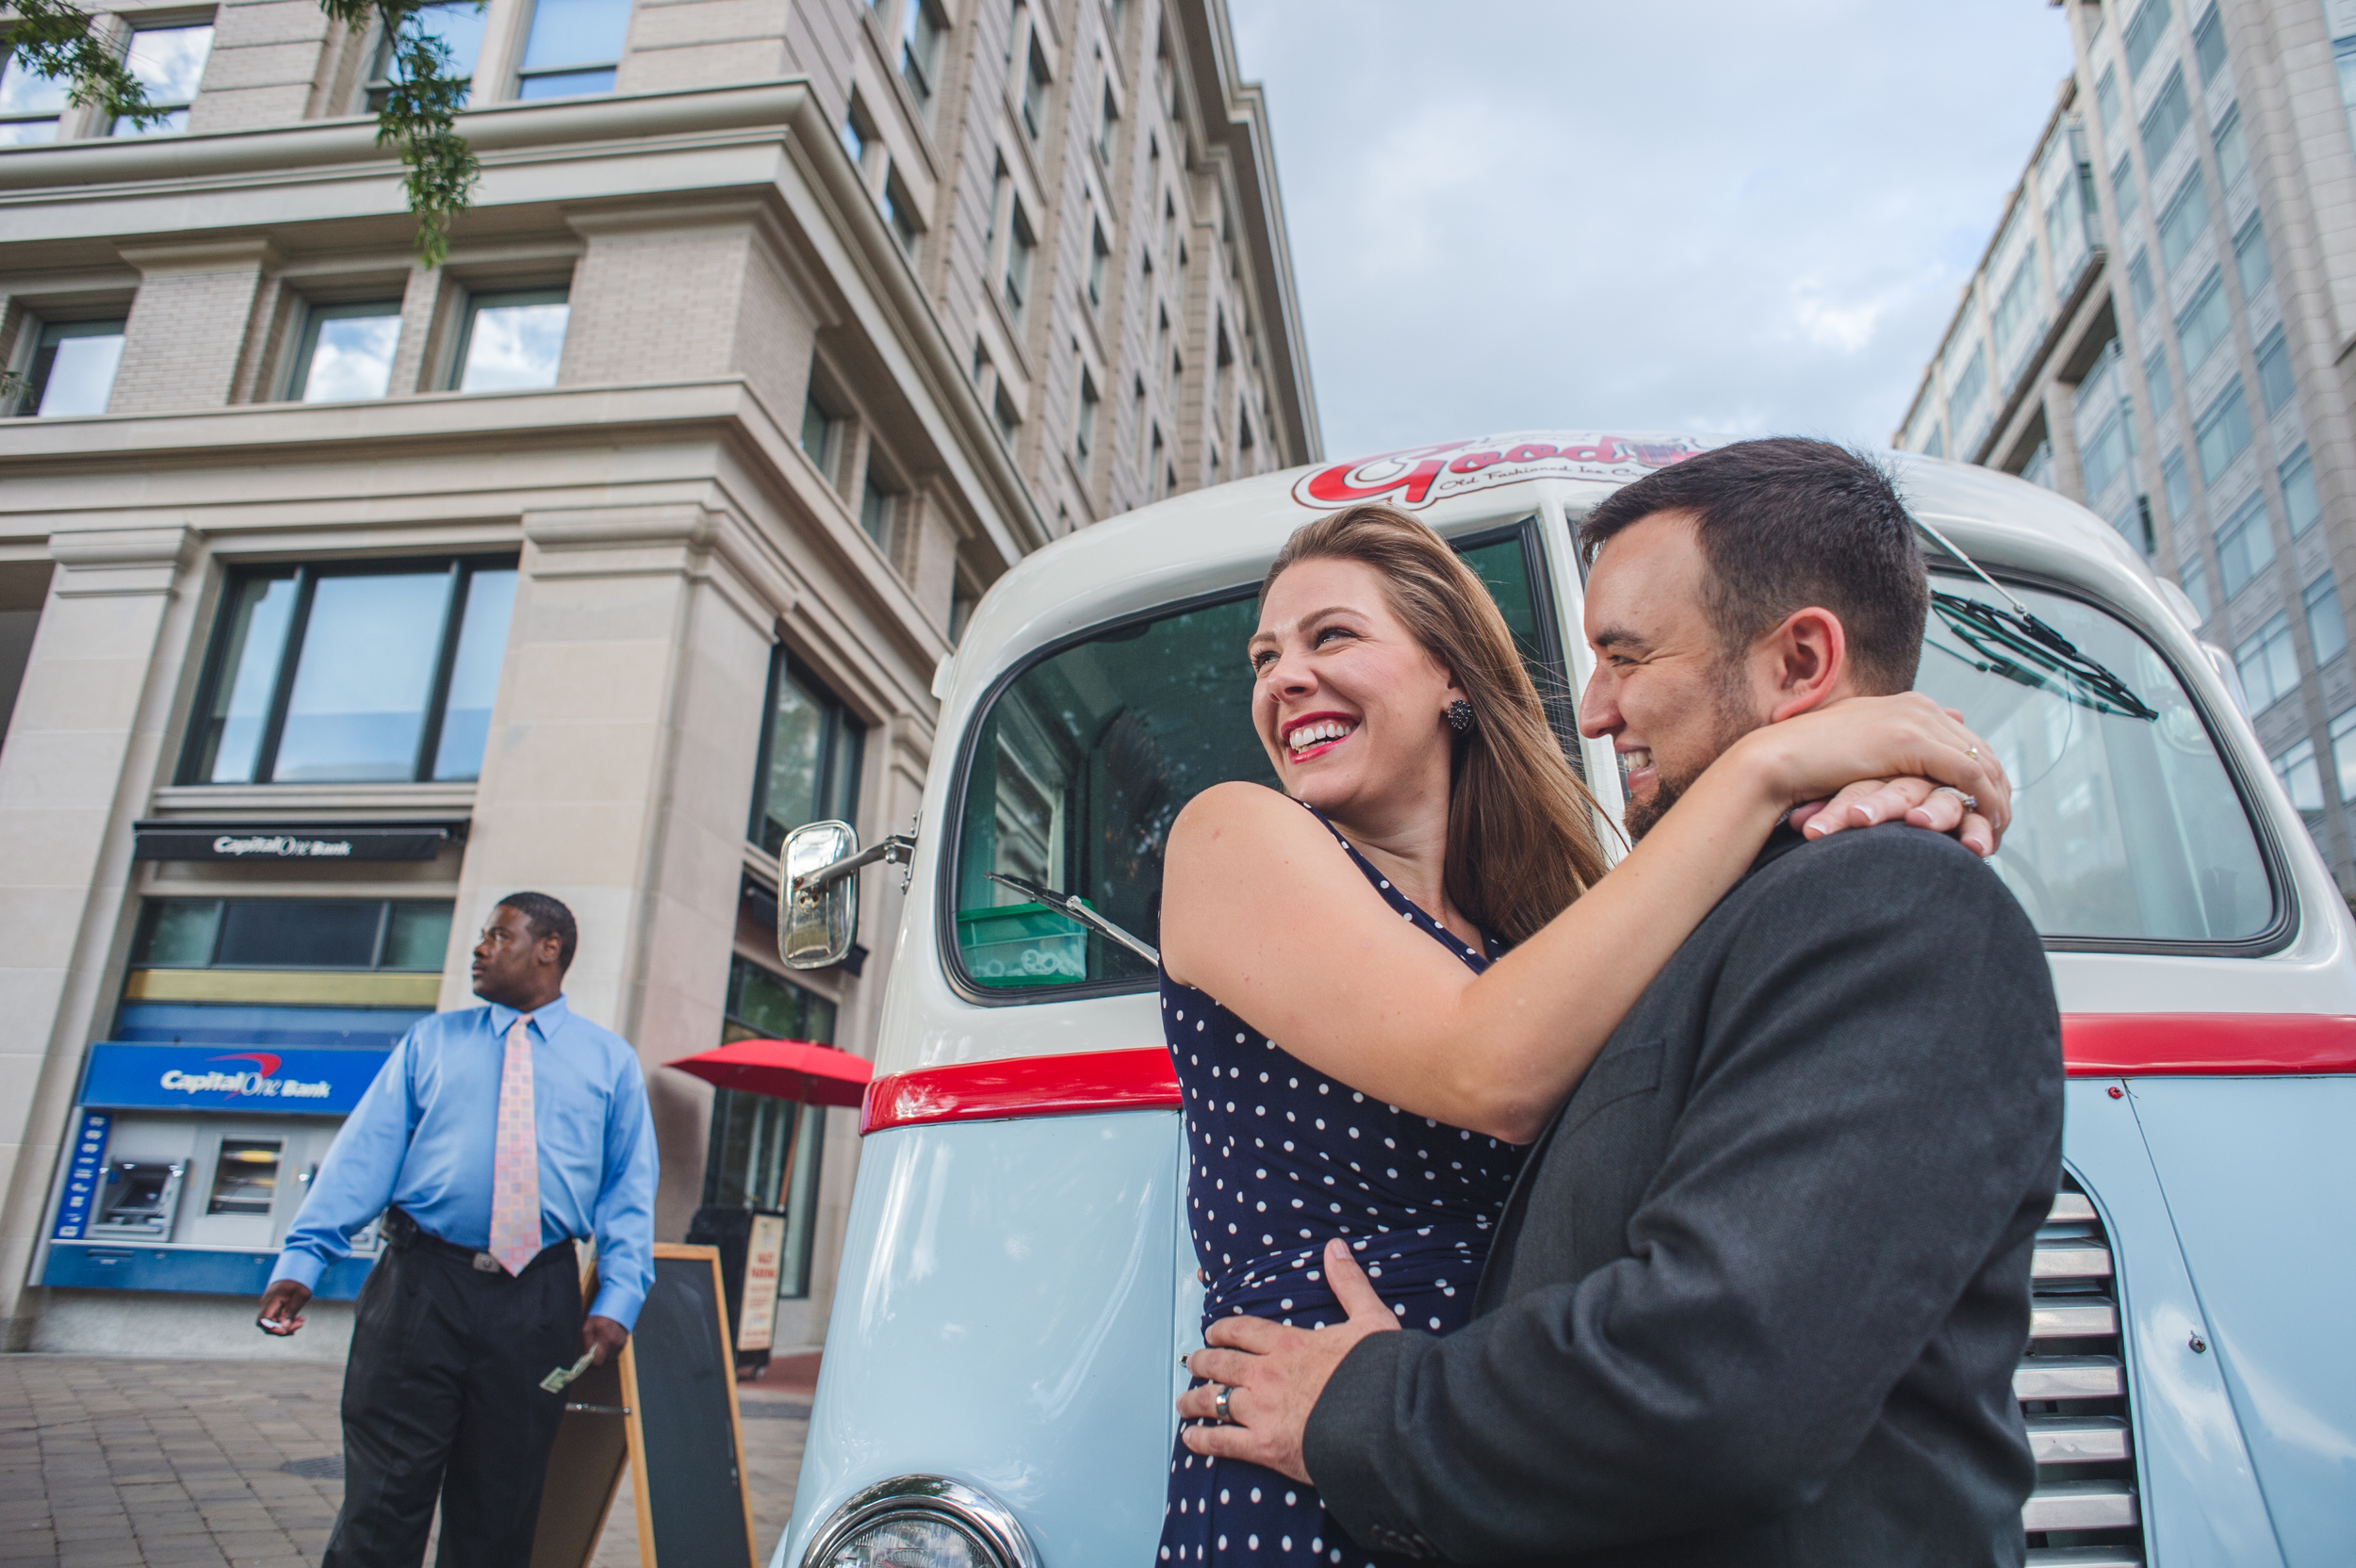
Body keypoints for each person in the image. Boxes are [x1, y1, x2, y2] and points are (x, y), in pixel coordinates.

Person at [1173, 439, 2065, 1565]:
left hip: (1466, 1468)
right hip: (1318, 1467)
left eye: (1331, 634)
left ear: (1453, 673)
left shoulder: (1576, 940)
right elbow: (1485, 1062)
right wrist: (1772, 768)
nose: (1280, 675)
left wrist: (1837, 782)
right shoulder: (1234, 833)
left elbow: (1730, 1360)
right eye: (1264, 653)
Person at [256, 891, 659, 1568]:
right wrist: (303, 1259)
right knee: (383, 1501)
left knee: (499, 1515)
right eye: (483, 936)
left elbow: (628, 1189)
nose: (480, 948)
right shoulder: (431, 1042)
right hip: (419, 1288)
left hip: (538, 1301)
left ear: (549, 948)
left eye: (498, 936)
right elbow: (365, 1155)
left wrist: (619, 1299)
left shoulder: (609, 1061)